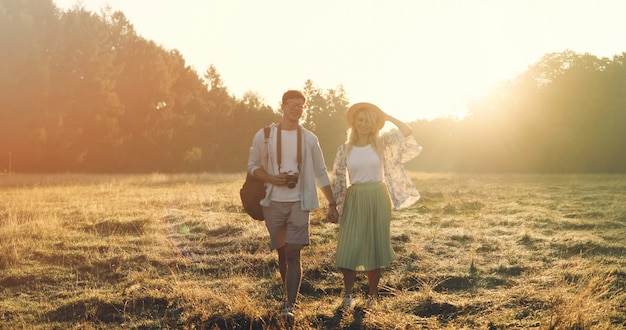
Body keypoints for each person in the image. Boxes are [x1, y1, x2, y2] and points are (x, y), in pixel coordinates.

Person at [247, 90, 339, 318]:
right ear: (282, 106)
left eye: (301, 106)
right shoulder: (265, 135)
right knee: (282, 252)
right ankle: (288, 293)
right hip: (273, 203)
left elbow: (320, 171)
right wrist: (271, 178)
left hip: (299, 202)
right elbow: (252, 166)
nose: (296, 109)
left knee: (293, 254)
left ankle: (289, 305)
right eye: (292, 105)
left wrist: (332, 203)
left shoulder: (309, 138)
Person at [329, 102, 422, 308]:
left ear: (374, 125)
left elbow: (407, 133)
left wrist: (387, 117)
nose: (363, 124)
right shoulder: (344, 149)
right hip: (354, 197)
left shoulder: (383, 143)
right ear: (353, 122)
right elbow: (336, 178)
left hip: (378, 196)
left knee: (375, 246)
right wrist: (333, 206)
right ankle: (347, 295)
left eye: (368, 121)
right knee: (348, 246)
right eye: (360, 120)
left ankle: (372, 296)